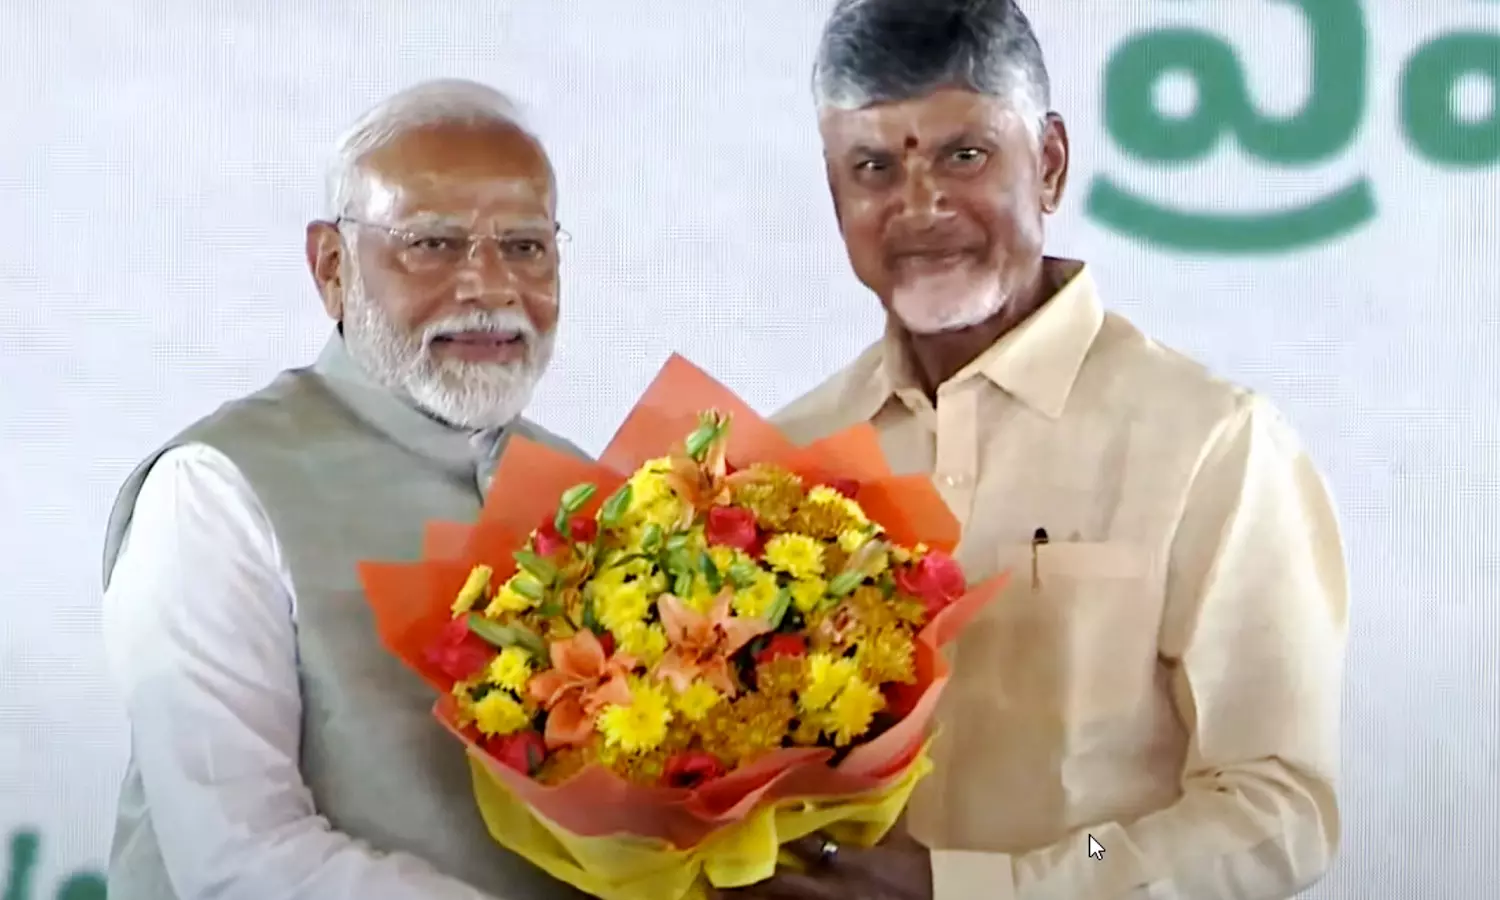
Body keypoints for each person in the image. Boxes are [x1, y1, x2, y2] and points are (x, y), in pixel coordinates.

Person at [747, 1, 1350, 898]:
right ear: (835, 194)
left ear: (1052, 164)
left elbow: (1272, 804)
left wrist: (1002, 886)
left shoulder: (1208, 443)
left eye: (965, 155)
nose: (921, 206)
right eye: (873, 167)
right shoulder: (782, 462)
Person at [100, 80, 589, 900]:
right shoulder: (216, 488)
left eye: (526, 246)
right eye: (434, 244)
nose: (491, 286)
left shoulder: (596, 496)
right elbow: (238, 859)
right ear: (331, 266)